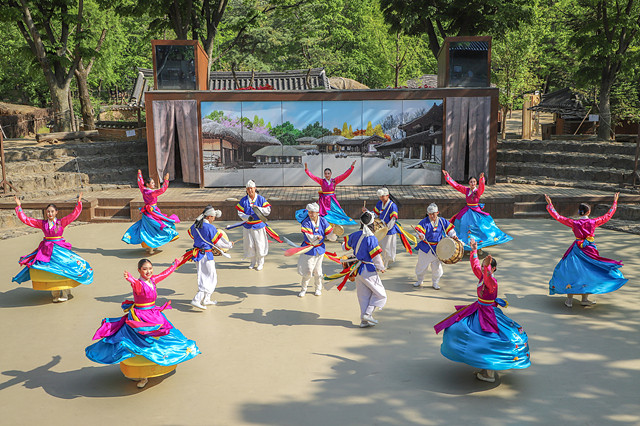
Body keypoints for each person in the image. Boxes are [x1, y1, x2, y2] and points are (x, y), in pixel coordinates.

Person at [85, 257, 200, 388]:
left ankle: (158, 363)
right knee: (140, 343)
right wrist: (130, 279)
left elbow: (165, 273)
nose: (148, 271)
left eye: (150, 269)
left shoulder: (153, 280)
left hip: (154, 314)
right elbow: (135, 284)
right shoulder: (138, 284)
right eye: (145, 269)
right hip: (140, 317)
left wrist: (175, 264)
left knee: (161, 339)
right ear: (139, 270)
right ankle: (142, 375)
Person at [434, 239, 531, 383]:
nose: (485, 269)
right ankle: (484, 368)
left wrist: (486, 268)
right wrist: (474, 250)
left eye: (488, 267)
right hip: (479, 309)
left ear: (493, 269)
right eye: (486, 267)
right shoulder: (483, 276)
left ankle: (489, 374)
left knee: (488, 339)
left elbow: (488, 279)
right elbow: (475, 266)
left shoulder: (492, 281)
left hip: (488, 314)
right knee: (461, 329)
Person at [545, 193, 627, 308]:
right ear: (588, 212)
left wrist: (550, 205)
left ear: (579, 212)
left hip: (577, 249)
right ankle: (585, 298)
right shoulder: (593, 222)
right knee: (590, 272)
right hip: (590, 250)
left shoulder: (574, 223)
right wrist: (615, 202)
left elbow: (558, 217)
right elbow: (608, 216)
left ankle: (569, 300)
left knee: (572, 272)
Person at [12, 193, 93, 302]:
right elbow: (27, 220)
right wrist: (19, 207)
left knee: (65, 269)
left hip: (60, 249)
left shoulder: (61, 222)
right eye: (48, 212)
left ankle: (65, 292)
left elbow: (73, 215)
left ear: (56, 212)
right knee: (50, 271)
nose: (50, 213)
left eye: (52, 211)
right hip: (46, 251)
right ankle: (55, 293)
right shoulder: (42, 223)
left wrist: (79, 203)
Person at [442, 170, 512, 250]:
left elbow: (481, 188)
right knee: (461, 224)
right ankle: (464, 242)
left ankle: (479, 246)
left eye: (474, 182)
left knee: (480, 227)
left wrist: (482, 180)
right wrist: (447, 177)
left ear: (476, 183)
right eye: (471, 182)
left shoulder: (477, 191)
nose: (473, 183)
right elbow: (456, 186)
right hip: (467, 211)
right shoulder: (466, 190)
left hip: (475, 211)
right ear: (469, 183)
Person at [342, 211, 387, 328]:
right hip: (368, 269)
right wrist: (381, 267)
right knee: (380, 294)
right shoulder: (371, 238)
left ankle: (364, 321)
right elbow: (376, 256)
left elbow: (344, 246)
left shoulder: (356, 234)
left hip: (357, 269)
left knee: (363, 296)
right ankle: (367, 314)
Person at [122, 170, 180, 254]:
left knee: (149, 229)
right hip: (152, 213)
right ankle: (151, 247)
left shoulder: (144, 190)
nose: (154, 184)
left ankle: (152, 246)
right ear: (148, 184)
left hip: (148, 213)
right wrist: (166, 180)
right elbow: (162, 190)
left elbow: (140, 183)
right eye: (152, 183)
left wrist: (139, 175)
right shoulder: (151, 193)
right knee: (154, 228)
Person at [188, 205, 233, 310]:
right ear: (209, 217)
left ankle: (206, 299)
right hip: (206, 255)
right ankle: (197, 299)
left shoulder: (194, 226)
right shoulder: (210, 227)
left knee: (205, 275)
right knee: (209, 277)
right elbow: (219, 243)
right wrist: (229, 245)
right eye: (213, 217)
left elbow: (191, 235)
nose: (214, 219)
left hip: (198, 254)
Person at [296, 161, 357, 226]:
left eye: (328, 173)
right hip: (323, 200)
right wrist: (306, 170)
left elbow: (344, 175)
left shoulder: (334, 181)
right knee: (323, 213)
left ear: (331, 174)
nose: (327, 175)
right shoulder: (322, 181)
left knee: (337, 212)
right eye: (325, 173)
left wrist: (351, 167)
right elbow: (313, 176)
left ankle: (334, 227)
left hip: (332, 200)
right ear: (324, 174)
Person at [413, 203, 457, 290]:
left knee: (437, 267)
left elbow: (450, 230)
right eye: (430, 214)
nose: (432, 216)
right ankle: (420, 280)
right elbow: (419, 232)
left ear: (437, 212)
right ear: (428, 214)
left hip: (438, 248)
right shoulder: (424, 222)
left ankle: (435, 282)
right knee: (421, 265)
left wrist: (453, 235)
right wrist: (421, 236)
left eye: (434, 213)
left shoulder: (442, 221)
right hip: (425, 247)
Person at [369, 187, 415, 269]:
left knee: (387, 249)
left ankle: (385, 265)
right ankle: (380, 263)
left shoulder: (392, 206)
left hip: (389, 231)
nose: (381, 198)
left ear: (388, 196)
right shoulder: (379, 203)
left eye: (383, 196)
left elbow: (393, 220)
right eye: (380, 197)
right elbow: (375, 214)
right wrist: (367, 213)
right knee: (379, 247)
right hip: (380, 230)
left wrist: (386, 229)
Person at [297, 203, 337, 297]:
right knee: (308, 271)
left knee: (318, 272)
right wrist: (317, 237)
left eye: (313, 212)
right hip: (309, 249)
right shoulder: (306, 222)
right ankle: (304, 289)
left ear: (317, 212)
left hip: (320, 249)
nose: (311, 214)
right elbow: (310, 237)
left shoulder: (323, 221)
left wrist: (333, 235)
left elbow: (329, 233)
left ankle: (318, 288)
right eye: (309, 212)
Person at [236, 180, 272, 270]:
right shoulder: (244, 200)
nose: (250, 191)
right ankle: (252, 261)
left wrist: (258, 208)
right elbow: (240, 212)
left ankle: (260, 262)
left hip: (259, 225)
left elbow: (268, 210)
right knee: (250, 244)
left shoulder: (260, 199)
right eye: (248, 189)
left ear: (255, 188)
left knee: (260, 244)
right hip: (248, 226)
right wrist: (247, 217)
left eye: (251, 189)